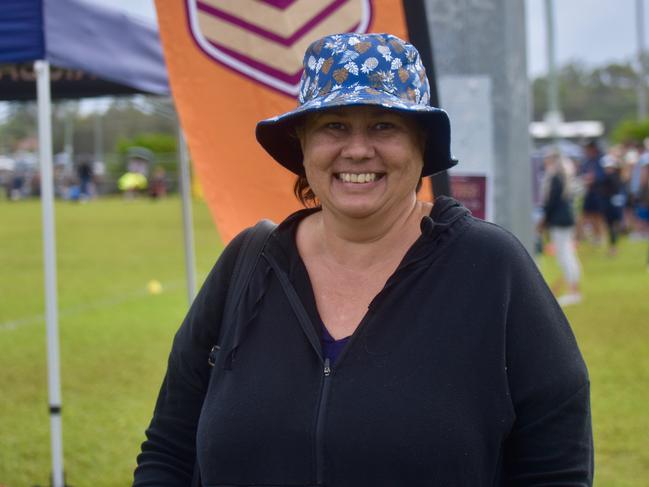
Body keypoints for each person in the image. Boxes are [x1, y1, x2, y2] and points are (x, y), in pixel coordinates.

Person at [134, 33, 593, 486]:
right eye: (334, 125)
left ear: (421, 144)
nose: (356, 149)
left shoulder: (492, 268)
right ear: (303, 145)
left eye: (383, 125)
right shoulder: (248, 263)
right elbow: (170, 449)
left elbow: (556, 467)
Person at [538, 151, 582, 305]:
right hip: (565, 218)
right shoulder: (563, 177)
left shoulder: (555, 178)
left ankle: (573, 290)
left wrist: (544, 220)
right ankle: (574, 289)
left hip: (560, 220)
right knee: (567, 253)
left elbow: (551, 203)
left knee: (564, 254)